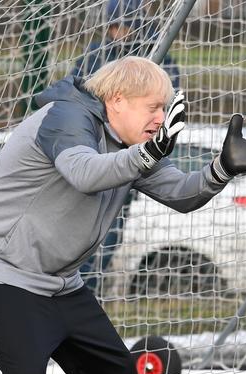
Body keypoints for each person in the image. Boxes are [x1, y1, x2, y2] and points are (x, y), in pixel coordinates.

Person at [0, 56, 246, 374]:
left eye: (164, 109)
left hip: (58, 281)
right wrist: (147, 154)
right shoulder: (66, 116)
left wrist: (223, 168)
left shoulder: (135, 146)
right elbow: (85, 172)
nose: (160, 119)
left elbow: (181, 193)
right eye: (153, 108)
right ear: (117, 101)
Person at [73, 0, 181, 292]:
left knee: (108, 234)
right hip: (96, 155)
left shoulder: (156, 55)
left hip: (130, 160)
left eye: (123, 26)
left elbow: (168, 100)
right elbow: (79, 93)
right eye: (113, 26)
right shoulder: (96, 54)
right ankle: (74, 289)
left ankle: (89, 290)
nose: (117, 32)